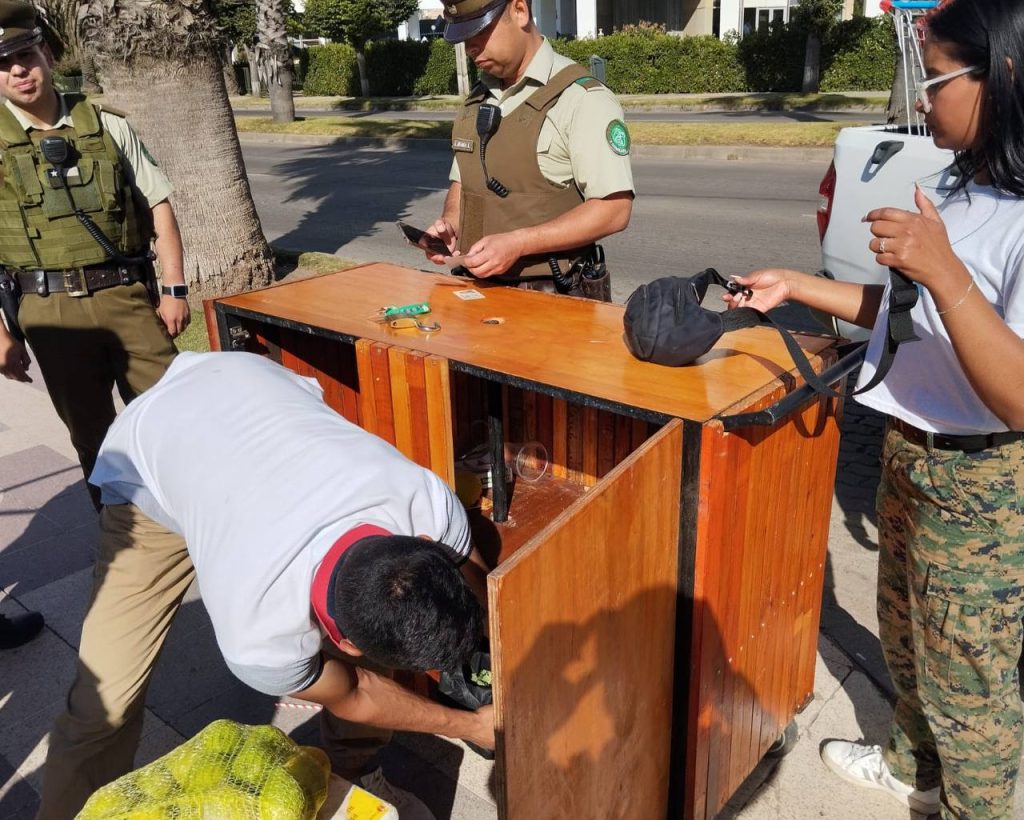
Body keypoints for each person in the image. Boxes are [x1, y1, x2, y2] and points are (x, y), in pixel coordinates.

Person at [724, 2, 1024, 816]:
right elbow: (904, 313)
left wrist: (945, 271)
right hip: (910, 451)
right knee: (907, 639)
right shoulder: (963, 181)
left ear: (1001, 76)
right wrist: (796, 284)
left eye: (935, 78)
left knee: (972, 688)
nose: (920, 98)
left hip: (982, 482)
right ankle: (912, 769)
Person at [36, 351, 492, 820]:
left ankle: (356, 774)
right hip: (151, 465)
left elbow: (474, 579)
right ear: (346, 646)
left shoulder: (426, 502)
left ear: (423, 542)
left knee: (386, 616)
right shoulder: (260, 635)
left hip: (247, 386)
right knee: (103, 704)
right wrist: (471, 725)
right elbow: (356, 692)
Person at [0, 0, 187, 511]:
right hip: (48, 310)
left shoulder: (106, 124)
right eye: (2, 63)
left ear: (45, 52)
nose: (18, 70)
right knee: (93, 436)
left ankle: (190, 516)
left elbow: (159, 206)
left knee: (173, 414)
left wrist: (173, 290)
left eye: (25, 54)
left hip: (125, 295)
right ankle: (119, 532)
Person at [422, 0, 634, 301]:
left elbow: (614, 210)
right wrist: (451, 225)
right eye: (465, 37)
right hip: (476, 294)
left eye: (480, 32)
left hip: (555, 299)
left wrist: (519, 243)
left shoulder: (582, 99)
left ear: (520, 11)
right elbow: (463, 182)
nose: (471, 47)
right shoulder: (477, 101)